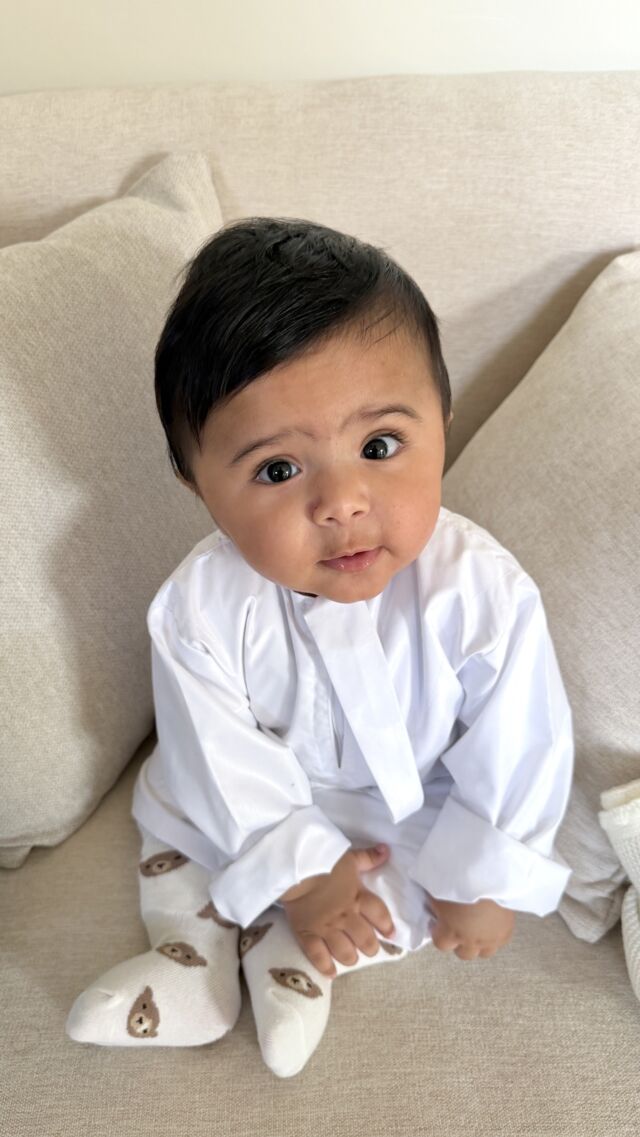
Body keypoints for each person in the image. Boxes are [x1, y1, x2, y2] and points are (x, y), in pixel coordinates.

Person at [66, 217, 574, 1077]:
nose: (342, 501)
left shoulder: (480, 588)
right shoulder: (199, 608)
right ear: (197, 482)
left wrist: (485, 874)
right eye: (277, 469)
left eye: (380, 446)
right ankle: (189, 958)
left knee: (415, 889)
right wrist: (303, 872)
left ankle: (290, 962)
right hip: (252, 798)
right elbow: (215, 751)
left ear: (442, 424)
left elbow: (520, 736)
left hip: (404, 801)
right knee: (180, 823)